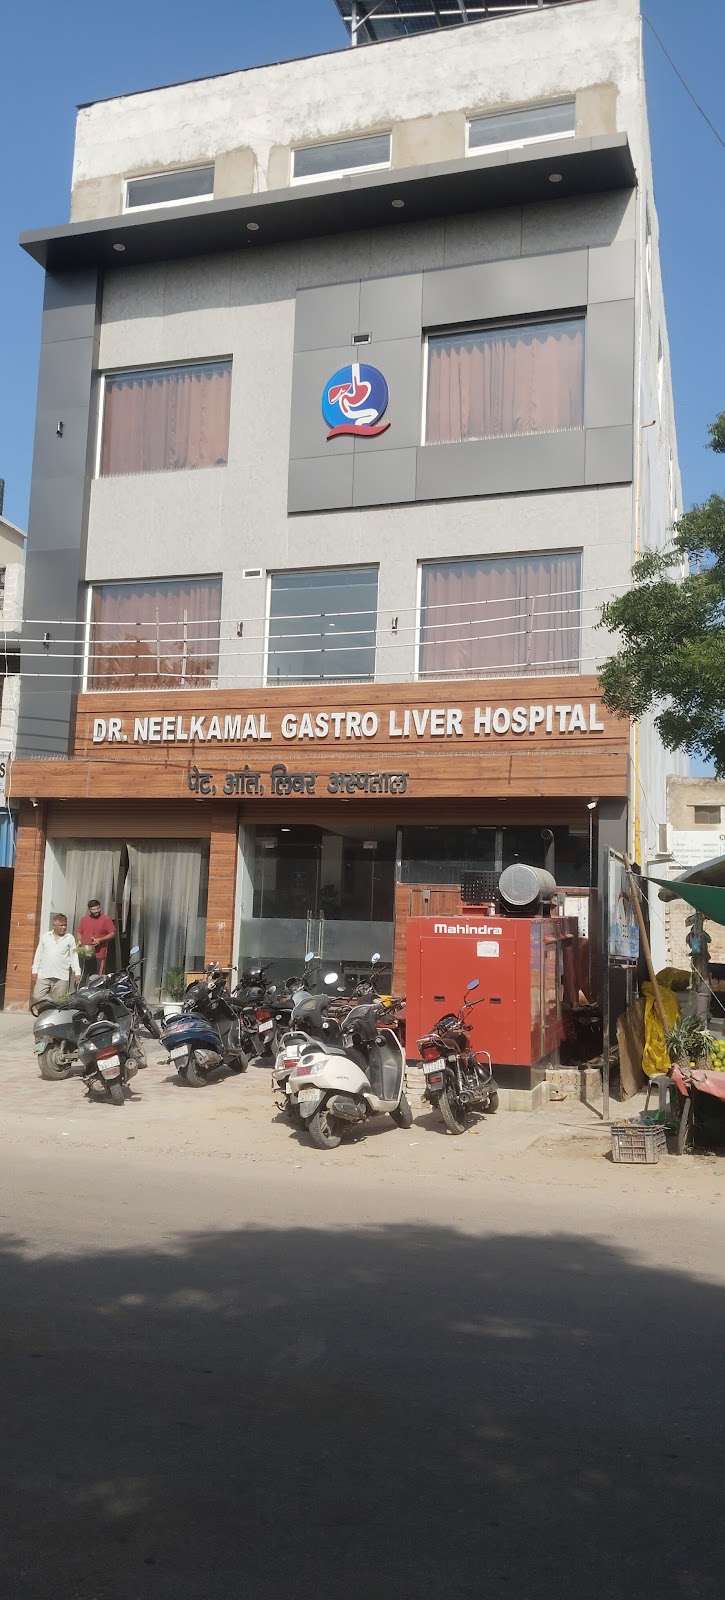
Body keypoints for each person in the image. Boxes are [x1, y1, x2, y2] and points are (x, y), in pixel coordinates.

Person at [32, 914, 81, 1002]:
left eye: (65, 925)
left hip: (61, 976)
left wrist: (77, 972)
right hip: (44, 974)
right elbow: (39, 954)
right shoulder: (45, 937)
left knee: (59, 1001)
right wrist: (35, 969)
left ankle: (53, 1008)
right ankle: (50, 1002)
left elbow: (74, 956)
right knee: (37, 996)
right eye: (61, 925)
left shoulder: (69, 938)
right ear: (54, 925)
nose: (64, 927)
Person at [76, 898, 116, 978]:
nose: (96, 911)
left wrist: (100, 940)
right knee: (82, 975)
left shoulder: (106, 919)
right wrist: (79, 941)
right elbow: (79, 932)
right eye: (93, 909)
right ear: (89, 910)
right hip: (85, 953)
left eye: (98, 908)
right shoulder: (84, 919)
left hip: (99, 954)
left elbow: (112, 933)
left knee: (96, 977)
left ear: (100, 908)